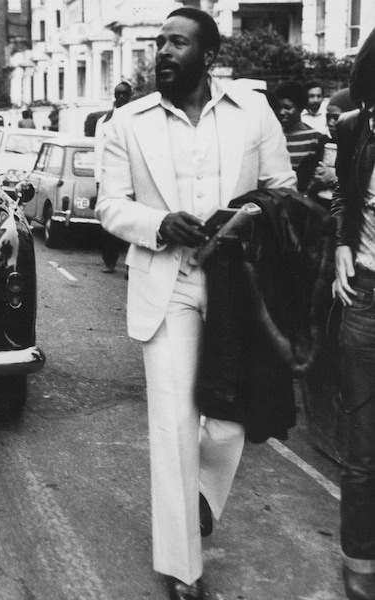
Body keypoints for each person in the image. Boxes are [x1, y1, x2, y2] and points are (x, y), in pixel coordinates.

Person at [95, 7, 296, 599]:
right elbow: (111, 205)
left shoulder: (251, 111)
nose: (163, 52)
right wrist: (160, 223)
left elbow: (282, 190)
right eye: (159, 42)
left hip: (238, 287)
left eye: (177, 43)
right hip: (168, 283)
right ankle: (183, 568)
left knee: (233, 416)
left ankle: (202, 496)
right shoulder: (126, 123)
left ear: (207, 56)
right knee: (173, 424)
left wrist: (253, 217)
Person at [331, 25, 375, 600]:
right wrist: (342, 241)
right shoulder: (354, 129)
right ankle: (360, 561)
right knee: (364, 450)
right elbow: (345, 192)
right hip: (365, 297)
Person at [94, 81, 134, 273]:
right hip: (109, 178)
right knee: (109, 224)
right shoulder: (104, 122)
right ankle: (109, 261)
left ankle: (130, 265)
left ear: (130, 95)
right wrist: (98, 180)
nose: (121, 97)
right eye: (118, 94)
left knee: (132, 223)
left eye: (124, 94)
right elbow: (98, 152)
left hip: (134, 179)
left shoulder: (137, 119)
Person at [274, 80, 327, 192]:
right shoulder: (273, 136)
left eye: (287, 107)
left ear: (300, 108)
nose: (282, 112)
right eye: (278, 108)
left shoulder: (317, 138)